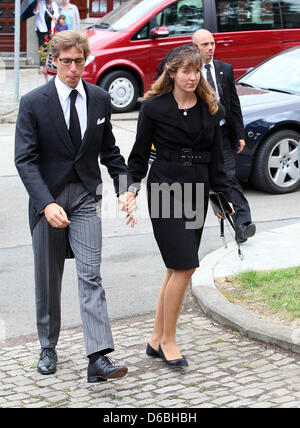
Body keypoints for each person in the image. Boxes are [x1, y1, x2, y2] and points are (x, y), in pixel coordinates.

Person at [15, 30, 137, 382]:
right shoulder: (33, 102)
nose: (72, 68)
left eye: (78, 61)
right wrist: (45, 203)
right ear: (53, 61)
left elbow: (111, 152)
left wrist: (125, 188)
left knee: (91, 274)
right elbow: (25, 160)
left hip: (85, 197)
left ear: (86, 60)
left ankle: (98, 358)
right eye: (65, 61)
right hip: (48, 200)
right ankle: (48, 346)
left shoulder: (99, 99)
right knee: (48, 279)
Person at [128, 45, 233, 367]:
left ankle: (156, 337)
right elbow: (139, 154)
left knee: (176, 267)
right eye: (185, 70)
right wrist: (130, 190)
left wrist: (222, 195)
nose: (192, 76)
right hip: (164, 188)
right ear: (172, 73)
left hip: (197, 189)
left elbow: (218, 158)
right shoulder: (154, 107)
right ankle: (169, 342)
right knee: (186, 265)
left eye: (196, 70)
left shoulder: (210, 107)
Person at [193, 29, 256, 244]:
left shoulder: (224, 70)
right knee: (211, 183)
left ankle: (243, 224)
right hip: (200, 138)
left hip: (223, 133)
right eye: (205, 44)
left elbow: (233, 103)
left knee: (229, 177)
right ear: (195, 47)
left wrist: (239, 133)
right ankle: (232, 223)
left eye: (212, 43)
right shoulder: (189, 73)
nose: (210, 48)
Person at [34, 0, 59, 66]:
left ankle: (50, 63)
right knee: (42, 46)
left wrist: (54, 17)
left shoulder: (54, 4)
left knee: (51, 46)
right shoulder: (40, 3)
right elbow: (35, 12)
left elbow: (57, 15)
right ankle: (42, 63)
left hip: (50, 28)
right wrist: (37, 2)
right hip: (41, 28)